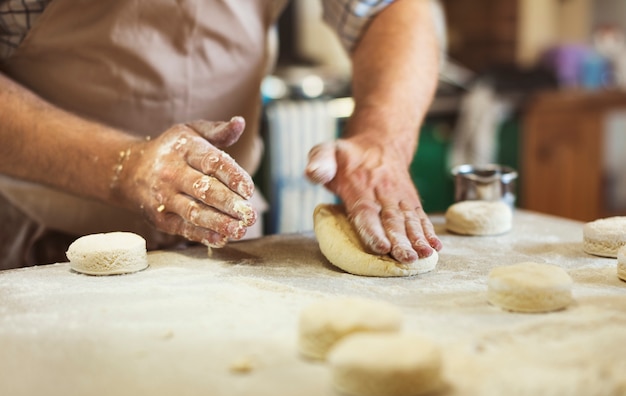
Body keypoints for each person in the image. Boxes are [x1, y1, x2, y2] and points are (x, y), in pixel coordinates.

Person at [0, 0, 443, 270]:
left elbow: (388, 7)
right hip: (38, 237)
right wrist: (126, 166)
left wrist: (381, 142)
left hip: (228, 237)